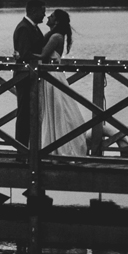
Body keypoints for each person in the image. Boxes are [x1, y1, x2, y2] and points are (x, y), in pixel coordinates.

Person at [38, 9, 87, 156]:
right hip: (52, 75)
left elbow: (43, 55)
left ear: (57, 21)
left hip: (52, 76)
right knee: (55, 108)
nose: (48, 16)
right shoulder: (56, 35)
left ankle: (60, 146)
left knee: (58, 109)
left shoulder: (55, 37)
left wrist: (22, 55)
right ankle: (52, 143)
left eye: (51, 16)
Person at [12, 1, 47, 145]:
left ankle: (32, 147)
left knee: (33, 113)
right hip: (25, 77)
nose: (45, 14)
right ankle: (21, 148)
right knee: (24, 113)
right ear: (33, 11)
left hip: (33, 76)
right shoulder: (24, 28)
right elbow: (25, 54)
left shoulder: (33, 28)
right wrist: (43, 59)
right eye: (42, 11)